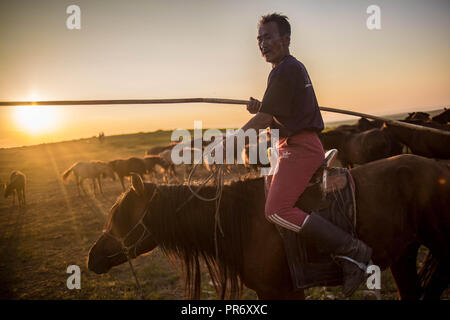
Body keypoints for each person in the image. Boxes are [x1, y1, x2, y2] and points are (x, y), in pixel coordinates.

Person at [226, 13, 372, 297]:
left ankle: (352, 250)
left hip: (299, 149)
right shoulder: (287, 69)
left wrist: (232, 141)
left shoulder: (284, 69)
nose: (263, 44)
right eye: (259, 39)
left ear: (286, 39)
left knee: (275, 210)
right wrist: (262, 108)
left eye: (268, 37)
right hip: (292, 148)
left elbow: (268, 117)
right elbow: (279, 113)